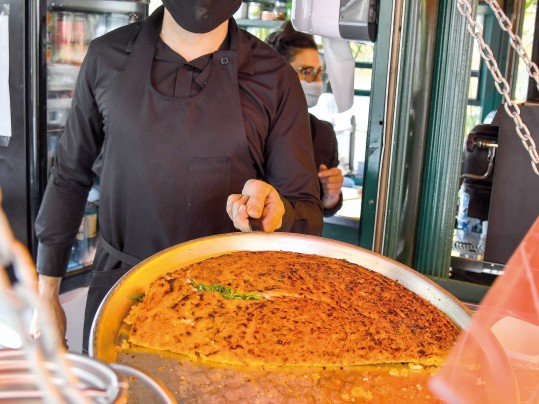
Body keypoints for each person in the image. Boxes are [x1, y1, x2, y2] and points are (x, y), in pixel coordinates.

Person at [30, 1, 323, 351]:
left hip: (229, 313)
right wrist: (46, 294)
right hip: (120, 295)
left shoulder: (275, 78)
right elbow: (69, 175)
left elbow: (305, 211)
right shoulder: (106, 56)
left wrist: (277, 215)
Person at [266, 21, 344, 217]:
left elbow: (321, 208)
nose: (316, 82)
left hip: (302, 239)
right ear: (279, 74)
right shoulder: (254, 126)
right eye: (306, 72)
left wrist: (331, 195)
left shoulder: (322, 133)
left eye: (319, 73)